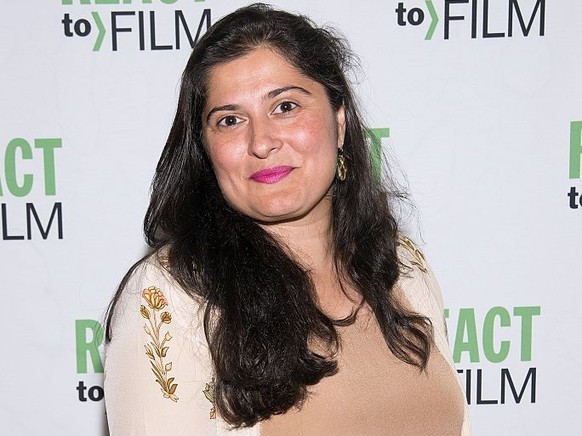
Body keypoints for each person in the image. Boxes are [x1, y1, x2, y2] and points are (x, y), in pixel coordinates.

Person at [104, 3, 471, 435]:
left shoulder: (401, 265)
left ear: (339, 119)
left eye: (285, 107)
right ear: (206, 150)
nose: (261, 142)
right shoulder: (170, 295)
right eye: (230, 119)